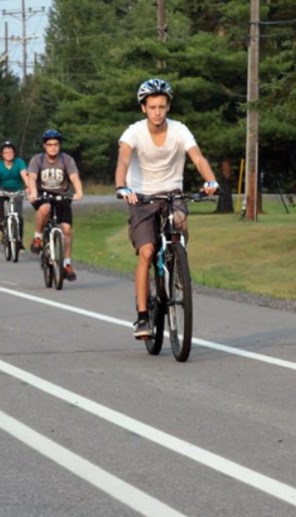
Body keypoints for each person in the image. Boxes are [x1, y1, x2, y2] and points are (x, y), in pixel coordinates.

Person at [115, 78, 218, 339]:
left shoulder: (180, 130)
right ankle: (142, 318)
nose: (157, 112)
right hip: (141, 197)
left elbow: (197, 157)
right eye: (152, 107)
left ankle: (178, 263)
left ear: (168, 107)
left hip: (172, 193)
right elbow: (123, 160)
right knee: (147, 252)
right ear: (143, 108)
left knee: (180, 220)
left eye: (162, 106)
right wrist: (122, 187)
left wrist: (210, 180)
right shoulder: (134, 132)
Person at [25, 129, 84, 281]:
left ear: (59, 145)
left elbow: (74, 177)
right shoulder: (37, 160)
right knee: (45, 208)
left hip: (61, 195)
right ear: (44, 146)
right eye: (50, 144)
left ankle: (67, 264)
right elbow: (32, 178)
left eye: (56, 144)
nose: (53, 147)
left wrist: (79, 192)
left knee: (66, 229)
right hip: (42, 194)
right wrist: (32, 192)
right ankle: (38, 238)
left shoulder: (66, 160)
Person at [0, 139, 28, 238]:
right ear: (2, 154)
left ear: (14, 153)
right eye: (5, 152)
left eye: (10, 151)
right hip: (3, 190)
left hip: (17, 190)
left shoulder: (19, 163)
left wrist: (29, 187)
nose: (8, 154)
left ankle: (19, 242)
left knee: (18, 216)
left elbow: (25, 176)